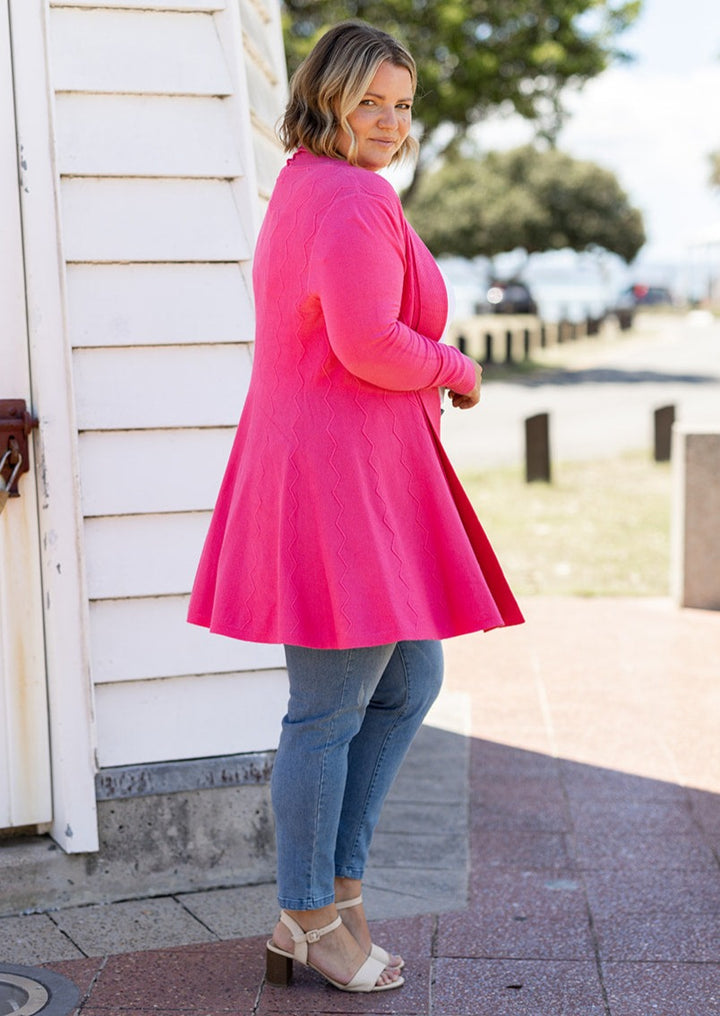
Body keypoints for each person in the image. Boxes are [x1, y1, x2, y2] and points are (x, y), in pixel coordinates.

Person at [188, 20, 523, 994]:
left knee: (407, 675)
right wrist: (456, 366)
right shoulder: (346, 197)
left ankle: (336, 886)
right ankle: (308, 913)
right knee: (327, 708)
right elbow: (370, 340)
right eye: (370, 101)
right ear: (327, 97)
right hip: (338, 483)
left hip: (350, 472)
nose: (389, 122)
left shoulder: (314, 182)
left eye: (403, 105)